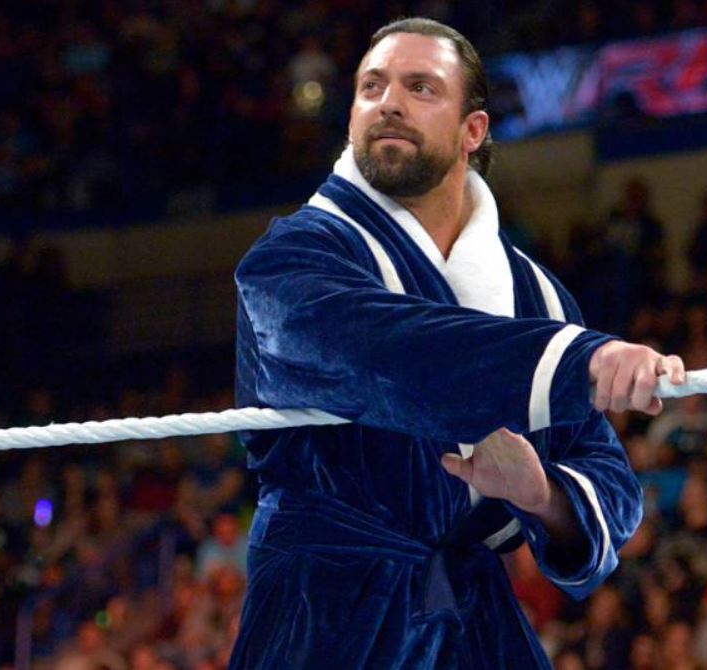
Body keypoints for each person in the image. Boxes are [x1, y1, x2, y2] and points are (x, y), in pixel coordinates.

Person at [231, 17, 684, 669]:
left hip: (472, 612)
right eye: (371, 87)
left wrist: (539, 493)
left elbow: (608, 476)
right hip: (323, 611)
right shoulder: (291, 259)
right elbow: (390, 354)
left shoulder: (539, 296)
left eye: (420, 87)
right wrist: (579, 361)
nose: (389, 102)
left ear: (473, 130)